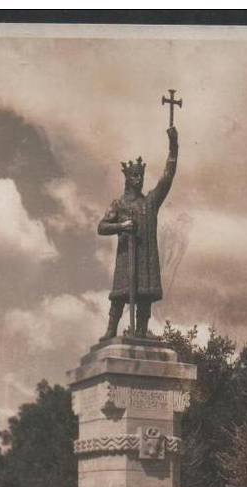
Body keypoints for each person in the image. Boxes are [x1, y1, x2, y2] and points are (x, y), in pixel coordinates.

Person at [97, 126, 179, 338]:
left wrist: (173, 147)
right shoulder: (119, 203)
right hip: (127, 258)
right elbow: (102, 227)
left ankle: (141, 332)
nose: (138, 180)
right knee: (118, 295)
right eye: (134, 176)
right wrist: (122, 226)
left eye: (140, 176)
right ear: (127, 178)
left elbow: (167, 178)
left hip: (146, 259)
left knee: (144, 298)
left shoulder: (150, 202)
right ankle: (111, 330)